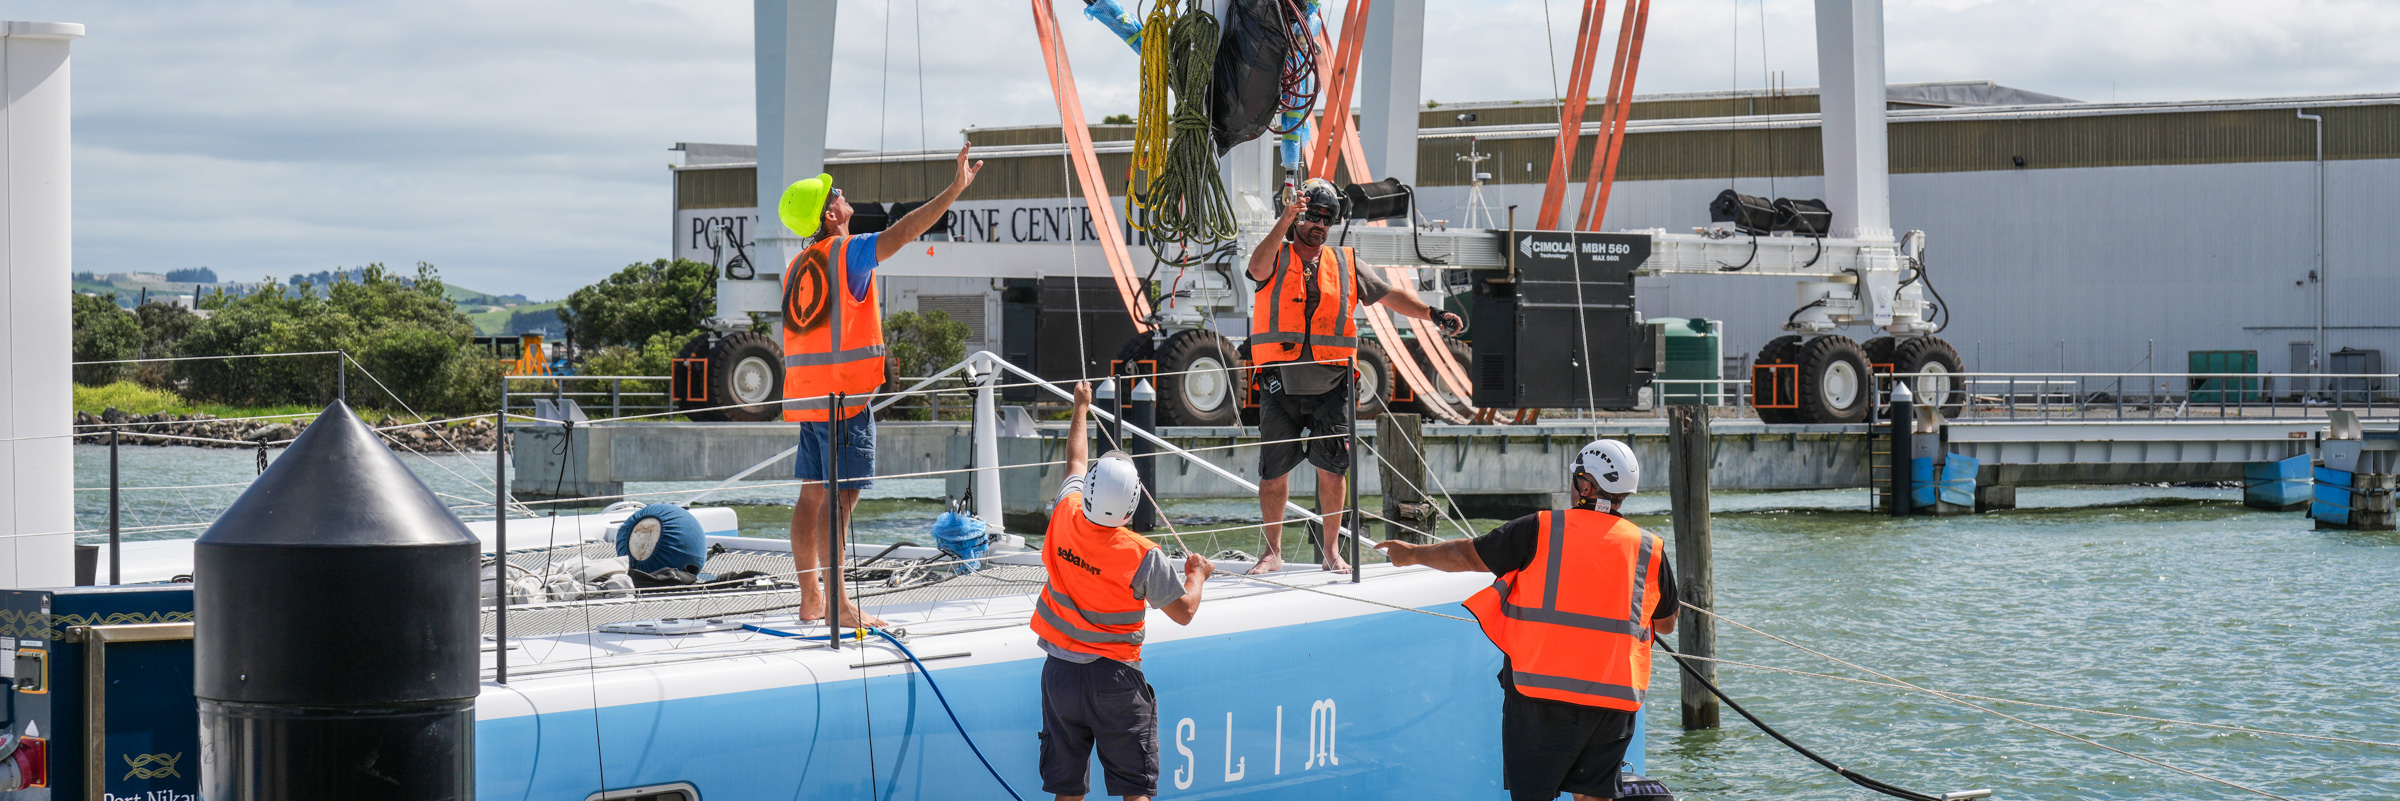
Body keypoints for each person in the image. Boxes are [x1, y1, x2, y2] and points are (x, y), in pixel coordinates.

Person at [1375, 439, 1678, 801]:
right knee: (1594, 796)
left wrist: (1411, 554)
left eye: (1576, 479)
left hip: (1540, 695)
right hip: (1612, 700)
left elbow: (1467, 556)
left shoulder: (1543, 528)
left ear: (1586, 486)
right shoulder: (1649, 548)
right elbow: (1666, 623)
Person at [781, 144, 983, 626]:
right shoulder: (847, 252)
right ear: (830, 215)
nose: (842, 193)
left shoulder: (798, 266)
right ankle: (841, 607)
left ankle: (812, 599)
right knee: (839, 501)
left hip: (811, 400)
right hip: (846, 400)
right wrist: (955, 189)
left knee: (811, 496)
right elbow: (905, 232)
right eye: (836, 192)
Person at [1243, 177, 1466, 574]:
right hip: (1280, 383)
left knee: (1333, 473)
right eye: (1313, 216)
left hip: (1332, 386)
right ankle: (1272, 553)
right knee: (1273, 473)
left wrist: (1433, 314)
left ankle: (1331, 552)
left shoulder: (1345, 263)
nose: (1319, 225)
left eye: (1326, 219)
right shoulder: (1276, 254)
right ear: (1298, 216)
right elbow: (1255, 268)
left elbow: (1390, 295)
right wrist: (1285, 219)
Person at [1032, 380, 1215, 801]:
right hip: (1114, 678)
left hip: (1059, 675)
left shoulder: (1064, 513)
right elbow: (1185, 611)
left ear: (1089, 489)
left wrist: (1081, 406)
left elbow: (1075, 459)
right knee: (1134, 789)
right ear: (1132, 509)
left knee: (1067, 789)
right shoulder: (1142, 554)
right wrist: (1198, 574)